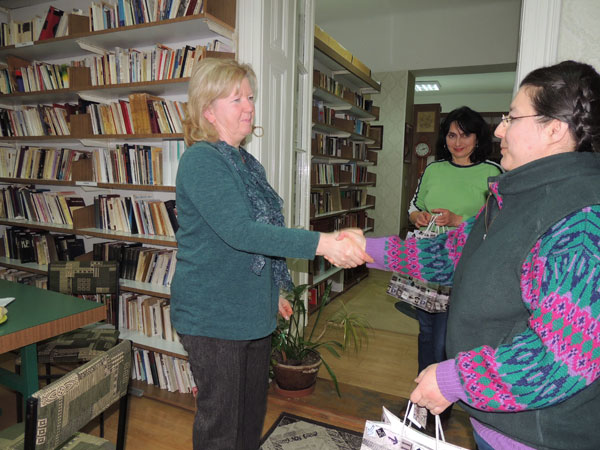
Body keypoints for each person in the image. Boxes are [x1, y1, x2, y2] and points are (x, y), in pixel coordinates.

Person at [345, 60, 600, 449]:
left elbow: (563, 357)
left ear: (554, 129)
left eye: (512, 118)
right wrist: (364, 249)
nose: (499, 129)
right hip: (499, 424)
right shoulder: (519, 194)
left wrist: (456, 380)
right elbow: (450, 250)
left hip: (538, 436)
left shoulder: (582, 221)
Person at [170, 58, 372, 450]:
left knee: (249, 417)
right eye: (236, 99)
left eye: (250, 97)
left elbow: (263, 237)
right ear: (208, 110)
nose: (249, 106)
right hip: (213, 317)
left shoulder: (248, 164)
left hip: (251, 313)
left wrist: (272, 292)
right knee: (220, 426)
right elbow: (241, 233)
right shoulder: (201, 161)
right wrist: (323, 243)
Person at [407, 107, 501, 388]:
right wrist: (417, 217)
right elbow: (414, 205)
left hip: (466, 266)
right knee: (425, 330)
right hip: (428, 261)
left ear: (478, 138)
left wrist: (457, 220)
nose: (457, 142)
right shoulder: (433, 169)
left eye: (465, 135)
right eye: (451, 134)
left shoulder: (493, 172)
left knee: (445, 335)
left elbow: (500, 218)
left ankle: (441, 395)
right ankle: (423, 391)